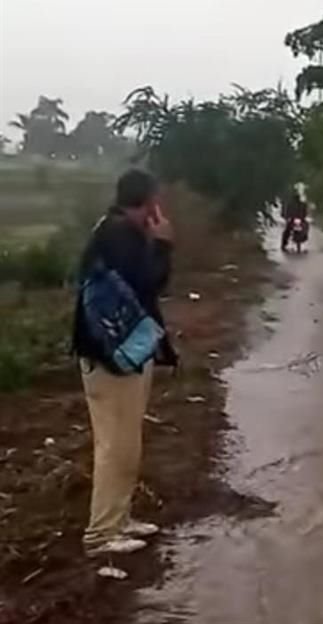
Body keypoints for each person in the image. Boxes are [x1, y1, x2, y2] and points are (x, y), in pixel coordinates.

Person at [72, 168, 177, 557]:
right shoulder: (121, 235)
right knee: (116, 445)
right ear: (147, 201)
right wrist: (164, 245)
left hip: (117, 354)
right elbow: (149, 284)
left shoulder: (115, 230)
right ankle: (101, 534)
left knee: (125, 441)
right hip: (111, 358)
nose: (160, 206)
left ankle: (119, 518)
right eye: (157, 198)